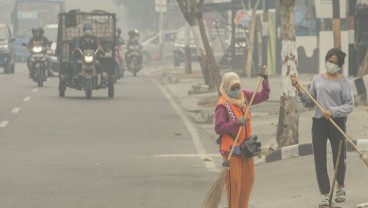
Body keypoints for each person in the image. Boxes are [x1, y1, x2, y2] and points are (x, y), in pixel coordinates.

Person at [291, 48, 354, 206]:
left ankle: (340, 185)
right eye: (329, 61)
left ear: (340, 65)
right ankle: (326, 194)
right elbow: (309, 102)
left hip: (336, 122)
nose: (331, 64)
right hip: (319, 122)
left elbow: (349, 105)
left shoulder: (343, 82)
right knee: (319, 159)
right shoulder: (317, 79)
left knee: (339, 156)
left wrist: (332, 111)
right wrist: (299, 88)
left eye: (335, 62)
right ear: (326, 60)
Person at [215, 68, 270, 208]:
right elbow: (219, 128)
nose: (236, 90)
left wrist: (265, 80)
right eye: (233, 88)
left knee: (248, 182)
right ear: (226, 88)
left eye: (238, 86)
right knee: (234, 186)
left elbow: (264, 95)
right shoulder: (222, 105)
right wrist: (236, 123)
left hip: (246, 149)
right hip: (231, 151)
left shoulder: (245, 96)